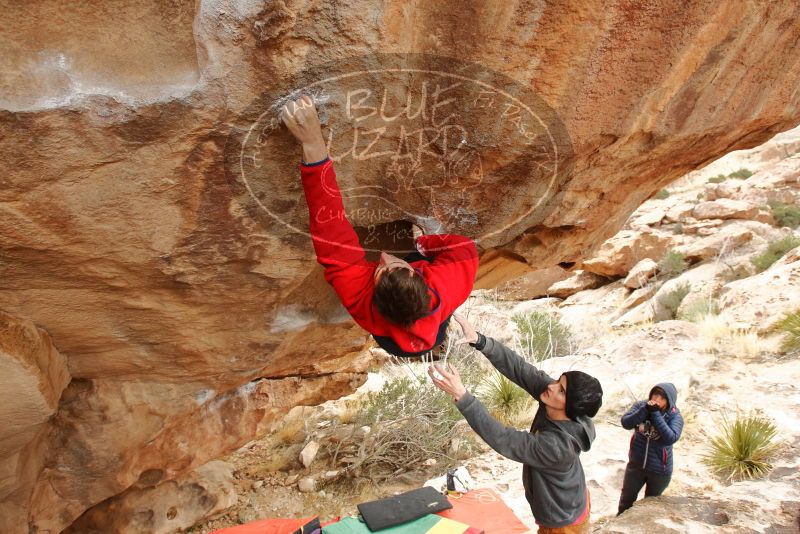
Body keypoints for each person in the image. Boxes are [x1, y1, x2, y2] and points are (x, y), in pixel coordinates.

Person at [281, 95, 479, 357]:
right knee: (420, 277)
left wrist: (312, 143)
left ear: (373, 298)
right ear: (421, 277)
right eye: (396, 265)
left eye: (379, 270)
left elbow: (329, 224)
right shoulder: (449, 287)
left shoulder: (361, 301)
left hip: (392, 334)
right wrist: (422, 245)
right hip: (431, 298)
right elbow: (464, 247)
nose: (384, 256)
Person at [428, 314, 603, 533]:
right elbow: (521, 369)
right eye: (559, 380)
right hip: (574, 497)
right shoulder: (560, 403)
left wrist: (462, 396)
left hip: (562, 521)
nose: (552, 386)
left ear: (572, 407)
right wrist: (480, 341)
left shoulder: (557, 448)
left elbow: (503, 438)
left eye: (562, 390)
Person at [617, 383, 683, 515]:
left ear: (669, 401)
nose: (657, 399)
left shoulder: (675, 416)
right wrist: (645, 411)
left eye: (662, 397)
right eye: (655, 394)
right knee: (626, 500)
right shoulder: (642, 406)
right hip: (636, 465)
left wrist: (655, 414)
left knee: (650, 506)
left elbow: (671, 438)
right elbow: (625, 422)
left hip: (659, 470)